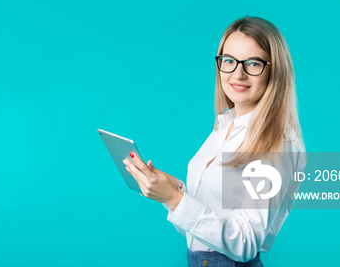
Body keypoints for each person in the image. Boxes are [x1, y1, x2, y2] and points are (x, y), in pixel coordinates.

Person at [123, 16, 306, 266]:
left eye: (252, 63)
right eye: (229, 61)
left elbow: (246, 243)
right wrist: (172, 194)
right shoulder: (225, 126)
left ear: (275, 70)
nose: (237, 74)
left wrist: (177, 200)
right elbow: (199, 231)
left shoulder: (278, 141)